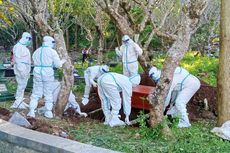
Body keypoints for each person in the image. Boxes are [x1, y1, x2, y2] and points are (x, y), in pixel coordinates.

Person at [27, 36, 66, 118]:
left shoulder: (36, 51)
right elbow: (58, 65)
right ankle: (48, 112)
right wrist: (63, 61)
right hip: (47, 72)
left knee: (36, 92)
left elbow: (33, 61)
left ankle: (31, 111)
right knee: (48, 93)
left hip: (37, 71)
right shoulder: (52, 52)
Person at [11, 32, 32, 109]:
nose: (29, 40)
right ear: (24, 38)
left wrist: (27, 70)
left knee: (23, 86)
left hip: (25, 68)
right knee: (21, 85)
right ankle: (17, 102)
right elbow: (18, 59)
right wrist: (21, 70)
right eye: (28, 39)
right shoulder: (18, 47)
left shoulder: (24, 47)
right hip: (21, 68)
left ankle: (20, 101)